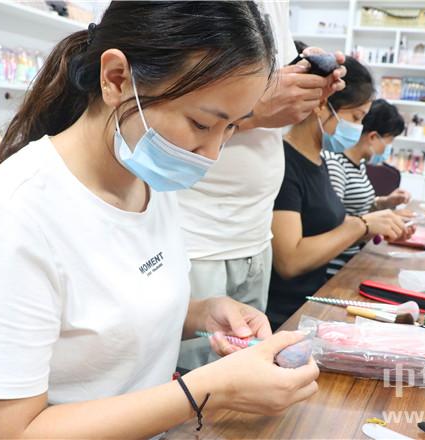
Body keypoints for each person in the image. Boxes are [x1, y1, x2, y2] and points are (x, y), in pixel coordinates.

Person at [0, 3, 319, 439]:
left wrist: (202, 313)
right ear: (116, 79)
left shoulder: (149, 182)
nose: (211, 154)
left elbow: (106, 320)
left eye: (231, 127)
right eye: (201, 123)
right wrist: (206, 390)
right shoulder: (9, 215)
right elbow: (9, 433)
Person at [176, 2, 346, 369]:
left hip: (254, 235)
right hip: (199, 236)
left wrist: (301, 90)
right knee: (194, 384)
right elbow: (179, 107)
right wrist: (256, 111)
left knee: (245, 374)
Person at [266, 57, 411, 329]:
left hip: (312, 303)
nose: (358, 129)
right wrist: (361, 225)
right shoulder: (286, 163)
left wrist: (375, 224)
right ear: (322, 104)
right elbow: (290, 261)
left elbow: (323, 228)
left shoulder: (318, 160)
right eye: (355, 118)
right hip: (283, 316)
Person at [324, 99, 412, 277]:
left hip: (355, 255)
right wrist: (375, 226)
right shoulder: (336, 164)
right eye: (389, 141)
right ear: (373, 137)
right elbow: (332, 223)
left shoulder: (359, 164)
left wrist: (385, 203)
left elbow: (357, 208)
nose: (389, 148)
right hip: (337, 266)